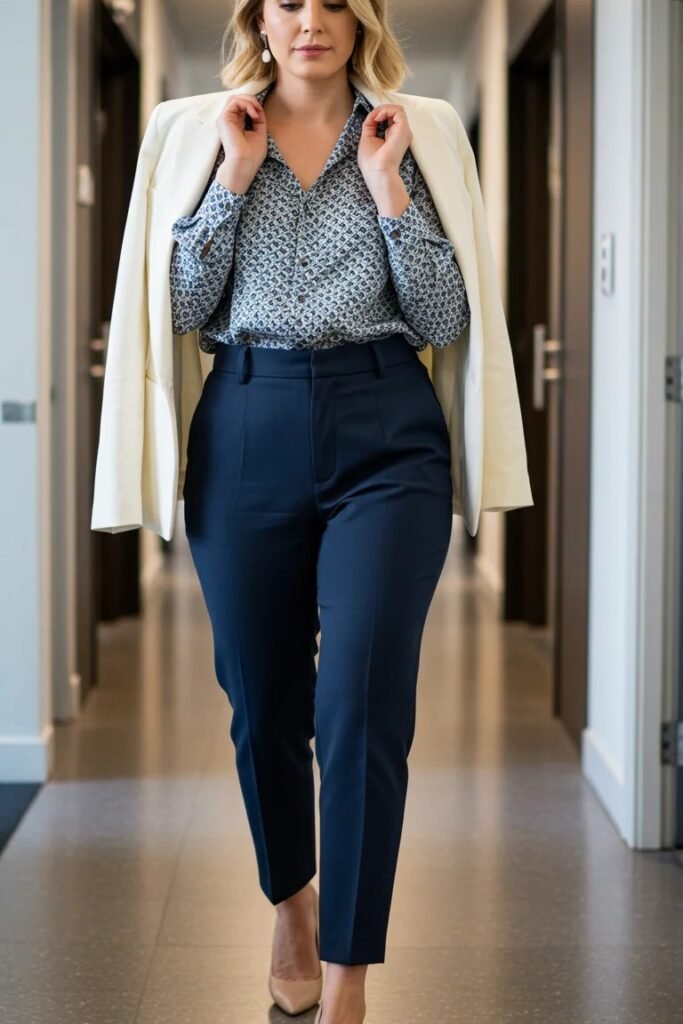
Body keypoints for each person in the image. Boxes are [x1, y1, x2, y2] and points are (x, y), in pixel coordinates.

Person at [169, 1, 471, 1021]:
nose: (311, 21)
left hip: (385, 427)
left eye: (334, 1)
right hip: (248, 418)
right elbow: (178, 302)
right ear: (257, 17)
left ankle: (345, 976)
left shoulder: (409, 135)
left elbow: (441, 316)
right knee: (262, 704)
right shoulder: (209, 133)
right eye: (289, 1)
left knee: (360, 701)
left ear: (361, 18)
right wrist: (232, 180)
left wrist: (388, 192)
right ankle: (289, 903)